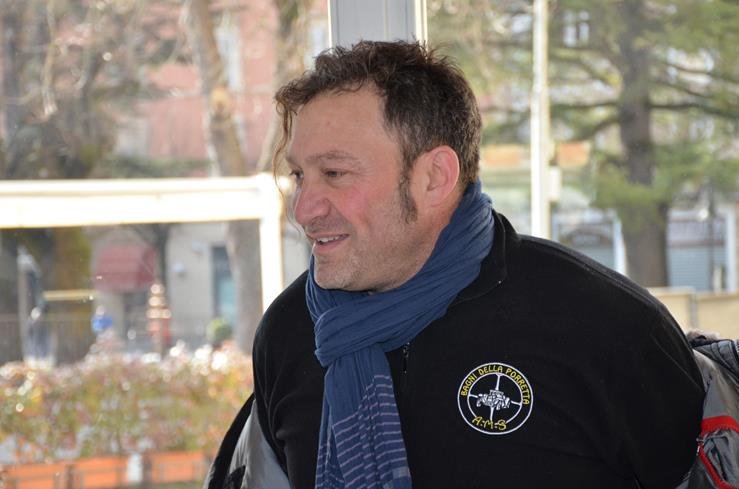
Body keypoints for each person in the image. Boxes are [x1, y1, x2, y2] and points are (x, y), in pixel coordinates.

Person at [205, 40, 704, 489]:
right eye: (299, 175)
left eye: (335, 173)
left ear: (435, 177)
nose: (303, 209)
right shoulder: (291, 332)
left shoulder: (603, 324)